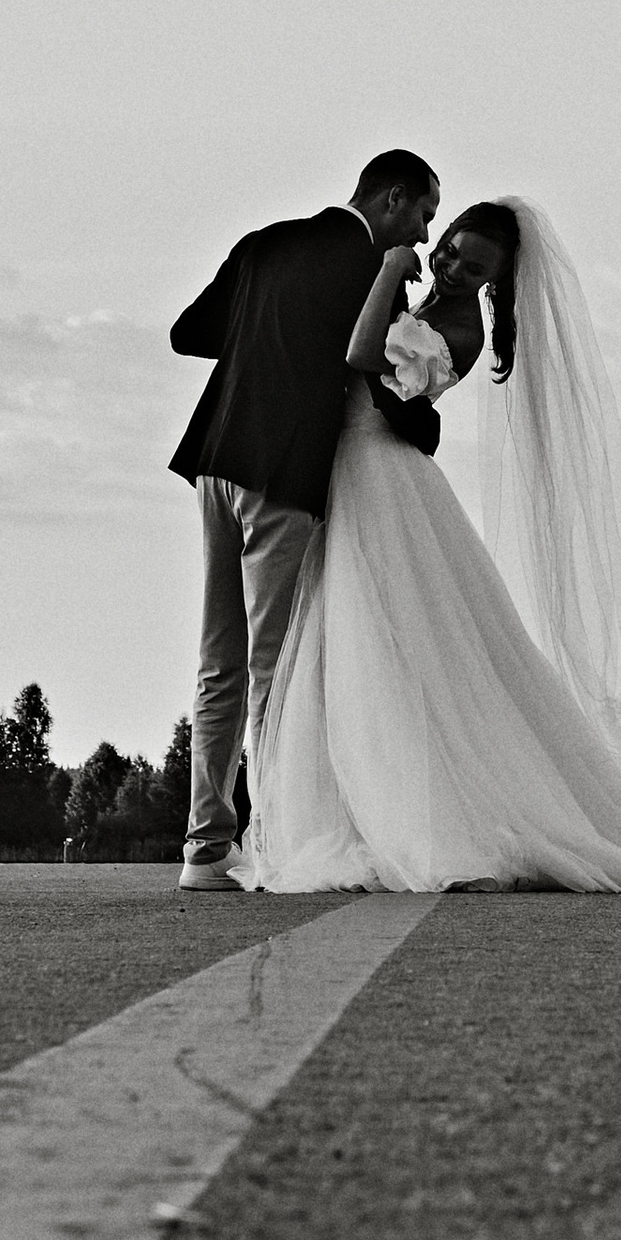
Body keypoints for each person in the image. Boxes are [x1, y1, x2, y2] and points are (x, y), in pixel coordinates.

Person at [241, 196, 621, 897]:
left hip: (380, 482)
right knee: (352, 651)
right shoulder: (424, 309)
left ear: (496, 280)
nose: (451, 266)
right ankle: (359, 812)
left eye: (472, 265)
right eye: (449, 249)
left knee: (383, 647)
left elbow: (361, 356)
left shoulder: (457, 325)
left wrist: (392, 266)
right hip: (352, 475)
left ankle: (424, 821)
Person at [167, 148, 441, 892]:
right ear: (390, 200)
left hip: (216, 458)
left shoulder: (265, 243)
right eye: (423, 214)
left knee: (217, 663)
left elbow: (187, 332)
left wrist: (264, 336)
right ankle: (278, 840)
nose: (421, 235)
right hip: (283, 473)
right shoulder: (369, 268)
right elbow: (371, 373)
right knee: (271, 668)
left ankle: (204, 848)